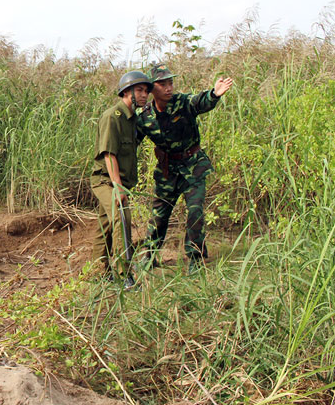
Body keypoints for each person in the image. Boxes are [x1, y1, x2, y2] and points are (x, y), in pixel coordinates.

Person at [136, 63, 234, 274]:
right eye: (163, 84)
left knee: (195, 211)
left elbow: (199, 102)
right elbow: (130, 141)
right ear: (152, 88)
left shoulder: (182, 102)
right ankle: (150, 256)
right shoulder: (145, 116)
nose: (169, 88)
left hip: (193, 166)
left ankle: (196, 258)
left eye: (170, 82)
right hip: (167, 171)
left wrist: (214, 94)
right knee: (159, 215)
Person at [90, 71, 152, 288]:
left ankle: (100, 272)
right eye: (140, 90)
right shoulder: (112, 117)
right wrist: (117, 186)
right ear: (127, 91)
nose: (144, 95)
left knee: (105, 227)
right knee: (121, 218)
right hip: (105, 180)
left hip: (119, 180)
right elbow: (109, 154)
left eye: (146, 91)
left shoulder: (133, 119)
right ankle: (125, 274)